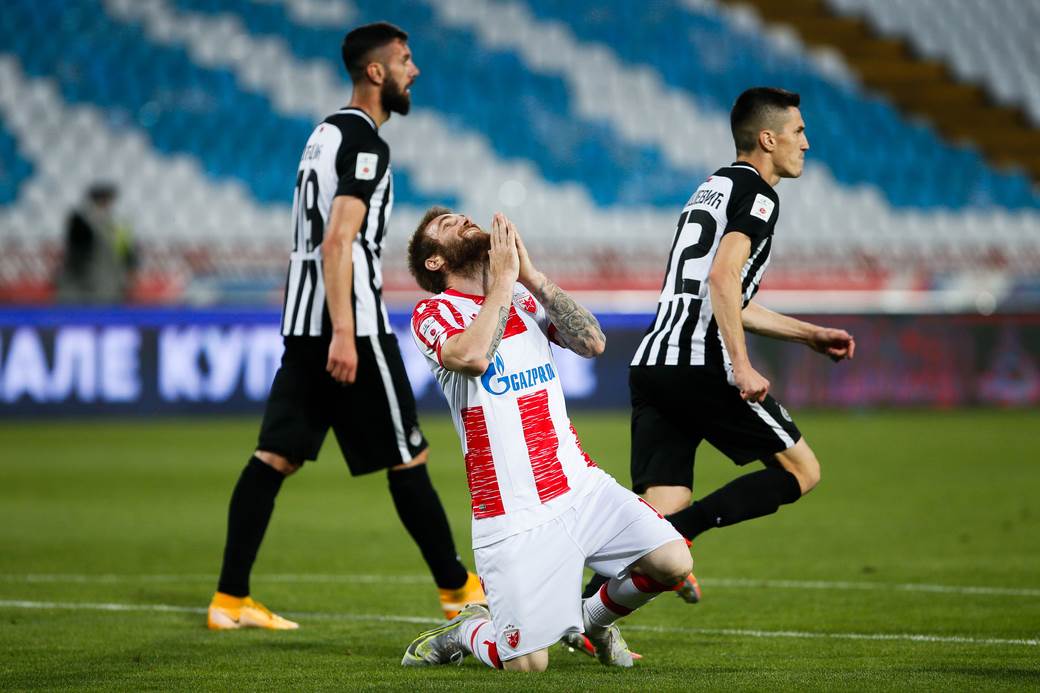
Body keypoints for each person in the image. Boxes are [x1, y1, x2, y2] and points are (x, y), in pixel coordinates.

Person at [207, 22, 484, 631]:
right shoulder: (364, 142)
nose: (416, 70)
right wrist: (344, 331)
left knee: (274, 456)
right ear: (377, 72)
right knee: (408, 454)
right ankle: (458, 589)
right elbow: (338, 241)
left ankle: (229, 599)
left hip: (303, 322)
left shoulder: (321, 135)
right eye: (406, 61)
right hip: (348, 322)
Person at [581, 87, 856, 605]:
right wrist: (742, 366)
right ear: (768, 138)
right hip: (700, 363)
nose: (807, 143)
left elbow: (730, 296)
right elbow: (723, 281)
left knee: (656, 509)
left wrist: (810, 334)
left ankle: (583, 614)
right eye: (799, 132)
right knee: (803, 471)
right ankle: (682, 533)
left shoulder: (711, 188)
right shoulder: (758, 195)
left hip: (656, 362)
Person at [399, 210, 692, 672]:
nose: (463, 222)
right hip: (511, 511)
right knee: (528, 666)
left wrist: (530, 277)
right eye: (448, 226)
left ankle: (593, 620)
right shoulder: (432, 313)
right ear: (435, 262)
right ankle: (468, 627)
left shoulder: (519, 295)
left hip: (578, 486)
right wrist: (502, 284)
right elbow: (472, 357)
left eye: (463, 217)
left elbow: (592, 343)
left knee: (673, 562)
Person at [56, 183, 136, 304]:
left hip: (107, 284)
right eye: (102, 199)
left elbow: (127, 255)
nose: (105, 203)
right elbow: (76, 255)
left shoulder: (117, 225)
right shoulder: (81, 221)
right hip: (83, 285)